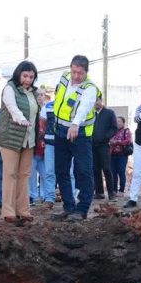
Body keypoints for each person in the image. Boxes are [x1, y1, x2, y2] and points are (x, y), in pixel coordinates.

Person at [51, 55, 99, 221]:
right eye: (74, 72)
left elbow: (84, 107)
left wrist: (75, 125)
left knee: (84, 171)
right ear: (70, 68)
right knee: (61, 170)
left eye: (80, 73)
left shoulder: (90, 88)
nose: (76, 76)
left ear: (86, 72)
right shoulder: (64, 77)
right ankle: (68, 206)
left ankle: (82, 209)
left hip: (80, 134)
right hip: (60, 132)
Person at [0, 60, 39, 224]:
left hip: (29, 139)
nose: (28, 79)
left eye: (31, 77)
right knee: (10, 174)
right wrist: (20, 119)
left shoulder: (34, 93)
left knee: (25, 175)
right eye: (25, 76)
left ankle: (24, 210)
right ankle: (8, 211)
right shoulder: (9, 88)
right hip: (10, 138)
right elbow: (12, 107)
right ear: (18, 74)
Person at [28, 89, 55, 208]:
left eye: (42, 95)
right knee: (31, 175)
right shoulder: (30, 110)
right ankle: (32, 196)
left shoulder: (47, 109)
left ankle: (45, 196)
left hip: (45, 149)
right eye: (37, 95)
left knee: (46, 174)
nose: (40, 97)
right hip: (34, 150)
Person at [91, 96, 117, 200]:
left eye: (97, 100)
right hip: (92, 145)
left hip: (104, 145)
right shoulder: (91, 114)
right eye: (93, 101)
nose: (95, 103)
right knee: (95, 169)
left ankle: (111, 193)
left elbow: (114, 127)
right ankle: (99, 192)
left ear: (101, 100)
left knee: (106, 168)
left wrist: (106, 137)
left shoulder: (109, 113)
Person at [108, 115, 131, 195]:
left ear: (123, 123)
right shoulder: (112, 131)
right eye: (116, 121)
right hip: (112, 155)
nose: (117, 123)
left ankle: (121, 190)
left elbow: (128, 141)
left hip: (122, 155)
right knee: (113, 172)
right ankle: (114, 190)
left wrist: (117, 142)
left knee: (121, 172)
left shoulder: (126, 131)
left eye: (119, 121)